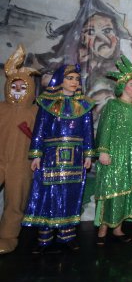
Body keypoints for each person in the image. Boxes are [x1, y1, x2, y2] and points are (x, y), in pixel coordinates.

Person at [22, 64, 95, 254]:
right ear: (60, 80)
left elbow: (88, 132)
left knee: (71, 194)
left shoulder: (84, 105)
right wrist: (36, 155)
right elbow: (39, 130)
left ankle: (67, 236)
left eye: (77, 79)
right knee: (48, 194)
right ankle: (44, 238)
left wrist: (88, 154)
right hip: (51, 157)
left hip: (75, 157)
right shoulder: (47, 104)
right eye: (70, 78)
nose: (74, 82)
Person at [94, 55, 132, 245]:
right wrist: (103, 151)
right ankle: (103, 228)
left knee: (126, 190)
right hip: (114, 156)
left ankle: (118, 228)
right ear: (123, 85)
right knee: (111, 188)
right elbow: (105, 128)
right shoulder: (112, 105)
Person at [0, 45, 39, 254]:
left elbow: (41, 137)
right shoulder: (1, 108)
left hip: (21, 164)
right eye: (13, 86)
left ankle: (8, 236)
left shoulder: (35, 112)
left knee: (15, 201)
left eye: (23, 87)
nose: (17, 90)